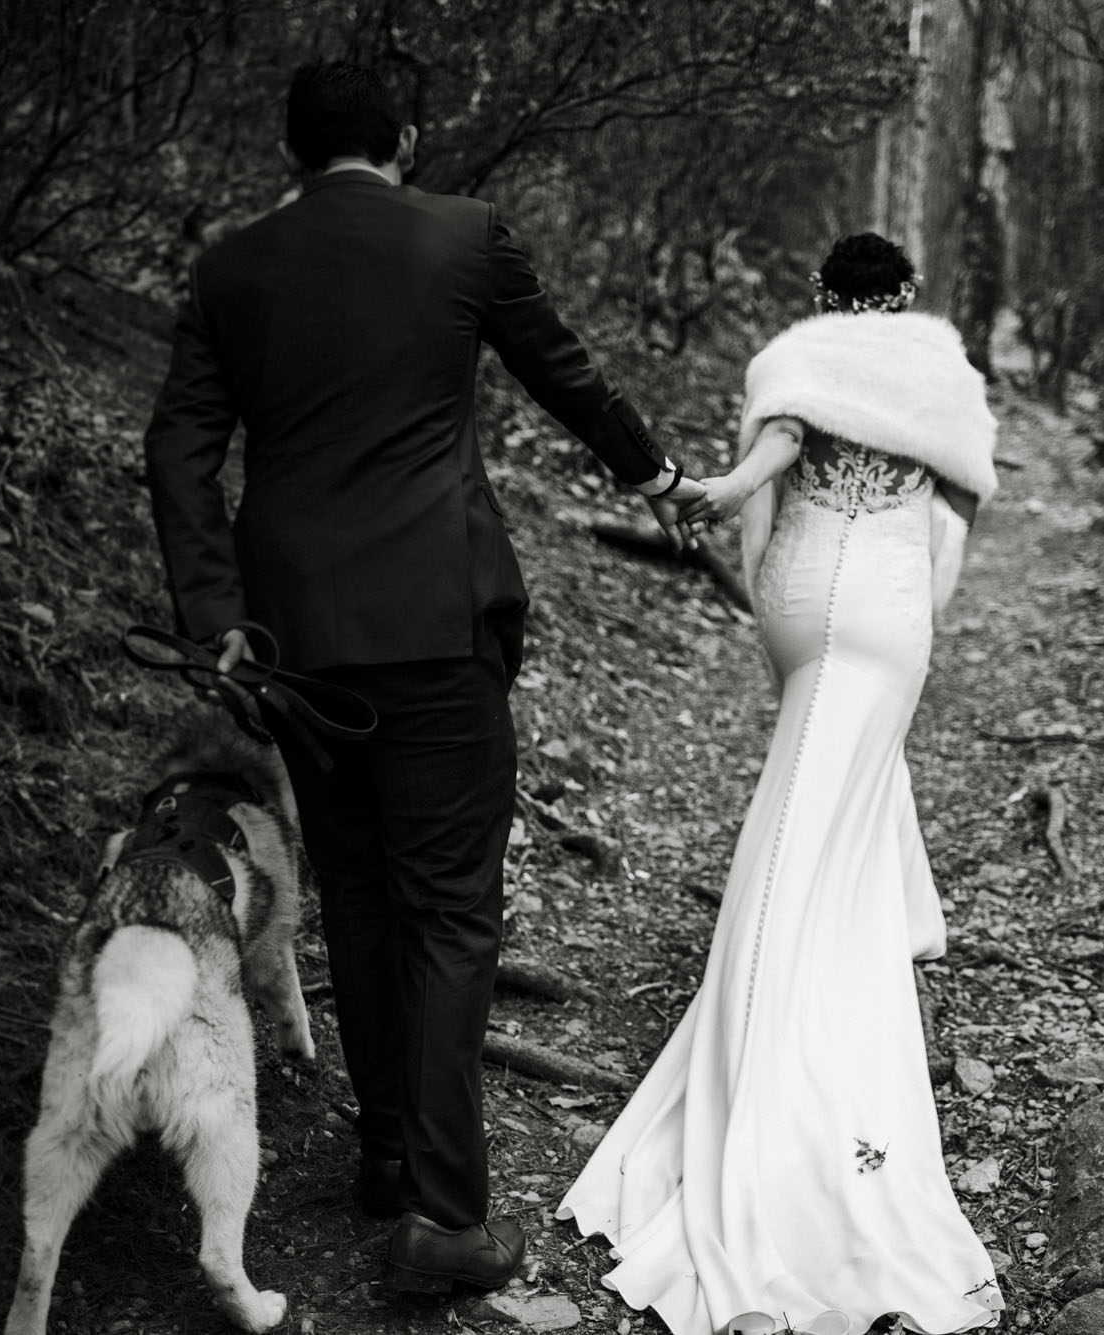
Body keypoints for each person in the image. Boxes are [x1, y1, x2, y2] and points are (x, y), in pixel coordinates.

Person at [141, 61, 704, 1295]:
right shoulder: (461, 235)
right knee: (449, 912)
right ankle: (444, 1217)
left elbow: (179, 448)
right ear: (404, 136)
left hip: (295, 641)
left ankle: (389, 1158)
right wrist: (654, 478)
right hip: (438, 625)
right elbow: (560, 371)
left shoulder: (232, 266)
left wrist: (216, 616)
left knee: (359, 894)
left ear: (294, 148)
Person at [556, 233, 1004, 1335]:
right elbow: (958, 512)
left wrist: (716, 499)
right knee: (830, 803)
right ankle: (855, 955)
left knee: (796, 820)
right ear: (904, 297)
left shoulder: (797, 358)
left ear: (821, 295)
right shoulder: (939, 375)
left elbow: (772, 468)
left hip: (806, 591)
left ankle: (768, 1062)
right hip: (892, 606)